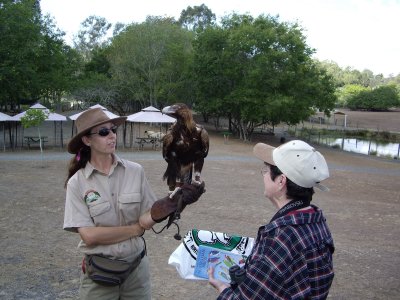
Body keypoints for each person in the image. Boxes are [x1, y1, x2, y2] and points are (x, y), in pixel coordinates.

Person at [63, 107, 205, 299]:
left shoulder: (135, 171)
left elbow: (146, 220)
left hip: (137, 272)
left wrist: (173, 203)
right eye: (104, 132)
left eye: (113, 130)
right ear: (87, 140)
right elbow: (89, 236)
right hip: (99, 274)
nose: (112, 136)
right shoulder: (77, 183)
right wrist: (135, 230)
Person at [208, 140, 335, 299]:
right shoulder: (316, 222)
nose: (264, 175)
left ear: (281, 181)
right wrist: (248, 279)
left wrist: (222, 288)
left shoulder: (280, 238)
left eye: (266, 170)